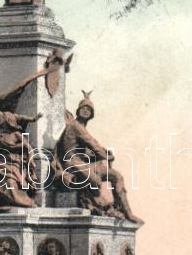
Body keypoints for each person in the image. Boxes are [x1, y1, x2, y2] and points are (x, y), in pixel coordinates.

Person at [53, 91, 142, 222]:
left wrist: (104, 153)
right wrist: (105, 156)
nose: (86, 111)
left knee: (117, 176)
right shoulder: (75, 125)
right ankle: (103, 206)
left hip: (83, 163)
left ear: (92, 114)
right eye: (83, 108)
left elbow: (90, 147)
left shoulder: (82, 127)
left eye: (89, 109)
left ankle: (127, 212)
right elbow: (92, 143)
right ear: (78, 110)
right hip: (71, 163)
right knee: (95, 181)